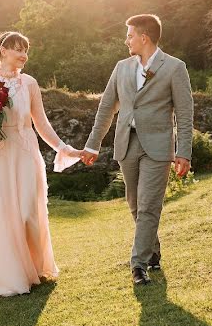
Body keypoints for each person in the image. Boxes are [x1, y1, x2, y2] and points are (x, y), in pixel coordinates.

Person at [80, 15, 193, 285]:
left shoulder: (175, 68)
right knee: (134, 203)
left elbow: (185, 113)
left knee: (149, 206)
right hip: (126, 143)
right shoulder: (121, 67)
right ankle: (152, 252)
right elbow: (107, 107)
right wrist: (93, 144)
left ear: (144, 37)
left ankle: (138, 265)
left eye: (130, 35)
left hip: (158, 146)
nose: (126, 40)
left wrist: (184, 151)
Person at [0, 31, 82, 297]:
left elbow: (41, 123)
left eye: (26, 50)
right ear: (3, 50)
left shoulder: (29, 83)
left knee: (27, 213)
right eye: (18, 49)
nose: (24, 55)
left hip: (24, 152)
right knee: (1, 214)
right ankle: (7, 277)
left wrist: (63, 148)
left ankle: (34, 268)